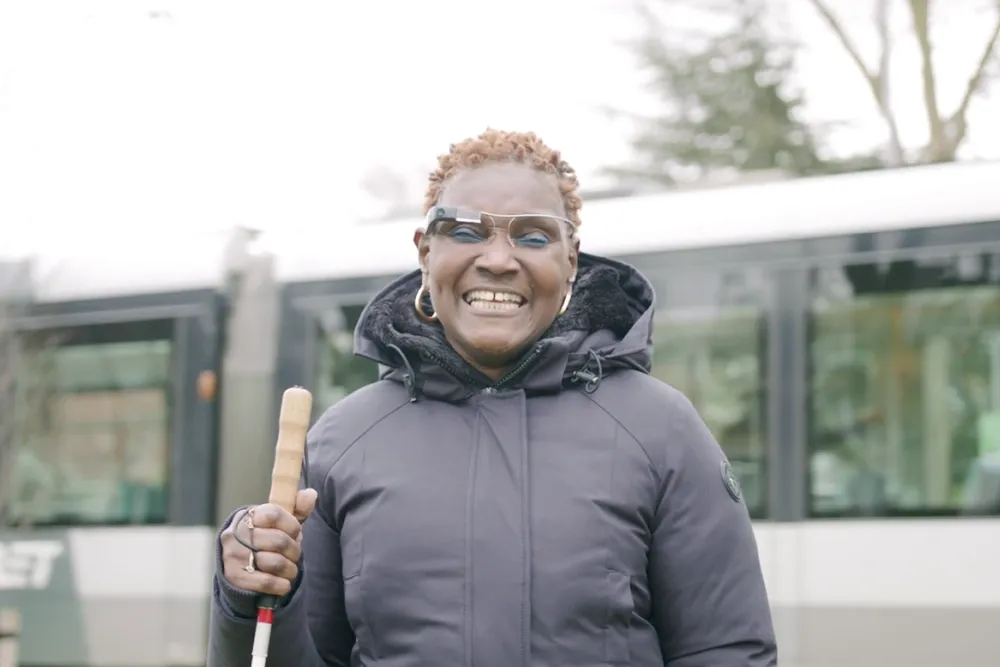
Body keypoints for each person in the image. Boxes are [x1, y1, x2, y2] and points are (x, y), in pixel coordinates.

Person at [208, 128, 778, 667]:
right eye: (466, 230)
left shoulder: (661, 431)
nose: (500, 259)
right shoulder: (341, 442)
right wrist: (248, 595)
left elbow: (726, 650)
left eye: (533, 235)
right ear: (425, 252)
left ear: (570, 259)